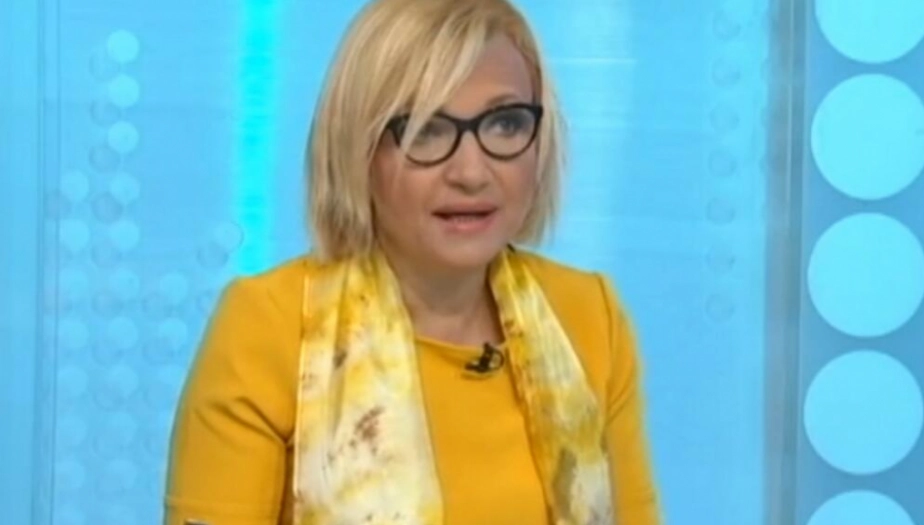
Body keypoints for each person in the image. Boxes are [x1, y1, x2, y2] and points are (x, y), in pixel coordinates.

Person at [164, 0, 661, 523]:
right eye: (426, 129)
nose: (471, 173)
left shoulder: (589, 318)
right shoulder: (269, 328)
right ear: (358, 148)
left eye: (505, 124)